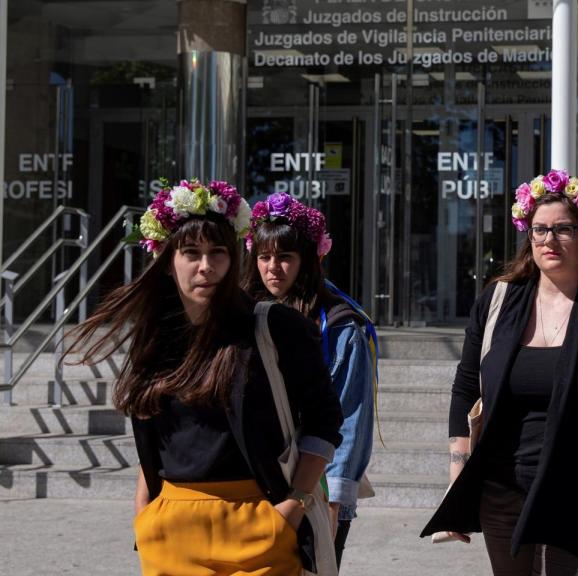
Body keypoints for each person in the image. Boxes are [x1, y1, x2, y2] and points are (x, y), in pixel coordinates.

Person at [65, 180, 342, 576]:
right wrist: (144, 514)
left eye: (218, 253)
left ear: (233, 260)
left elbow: (325, 420)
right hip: (171, 527)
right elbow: (154, 432)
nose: (206, 267)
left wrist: (293, 507)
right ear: (166, 258)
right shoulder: (156, 336)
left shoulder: (275, 327)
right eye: (191, 253)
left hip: (260, 521)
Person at [420, 170, 578, 575]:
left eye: (563, 229)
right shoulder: (498, 302)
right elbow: (466, 387)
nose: (549, 240)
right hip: (505, 492)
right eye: (539, 230)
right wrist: (457, 475)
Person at [242, 192, 375, 565]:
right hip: (255, 481)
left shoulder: (339, 326)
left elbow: (348, 418)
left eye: (285, 258)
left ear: (308, 261)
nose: (273, 268)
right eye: (264, 257)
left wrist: (333, 502)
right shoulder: (243, 316)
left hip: (316, 485)